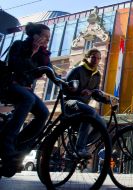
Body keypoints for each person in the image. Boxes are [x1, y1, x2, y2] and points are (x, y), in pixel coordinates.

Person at [0, 22, 52, 173]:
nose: (46, 41)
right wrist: (31, 53)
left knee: (43, 113)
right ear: (34, 35)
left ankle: (18, 148)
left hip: (26, 90)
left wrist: (66, 83)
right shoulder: (19, 45)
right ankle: (7, 141)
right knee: (28, 99)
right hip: (10, 85)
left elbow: (48, 71)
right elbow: (14, 65)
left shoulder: (43, 55)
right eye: (44, 37)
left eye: (49, 39)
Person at [64, 48, 105, 158]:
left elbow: (95, 93)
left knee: (103, 124)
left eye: (98, 58)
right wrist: (79, 90)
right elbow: (65, 87)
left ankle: (81, 144)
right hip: (70, 102)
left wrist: (105, 99)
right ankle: (79, 148)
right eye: (93, 57)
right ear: (88, 57)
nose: (95, 60)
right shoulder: (77, 70)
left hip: (83, 106)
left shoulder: (97, 75)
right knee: (90, 112)